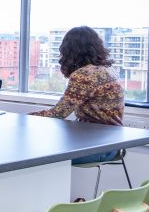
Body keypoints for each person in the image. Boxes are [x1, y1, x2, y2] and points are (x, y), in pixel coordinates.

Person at [30, 26, 124, 164]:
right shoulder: (108, 70)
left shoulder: (85, 75)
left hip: (96, 147)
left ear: (69, 50)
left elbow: (59, 113)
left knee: (36, 152)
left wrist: (24, 117)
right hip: (113, 144)